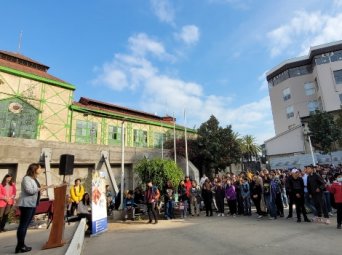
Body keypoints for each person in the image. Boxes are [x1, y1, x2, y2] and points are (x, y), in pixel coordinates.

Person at [16, 163, 47, 253]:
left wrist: (41, 189)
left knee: (25, 225)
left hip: (32, 204)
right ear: (34, 169)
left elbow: (35, 191)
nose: (41, 169)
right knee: (23, 225)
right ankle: (20, 245)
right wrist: (40, 188)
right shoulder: (26, 179)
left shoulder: (34, 179)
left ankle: (21, 245)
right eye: (39, 168)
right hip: (26, 205)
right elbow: (30, 191)